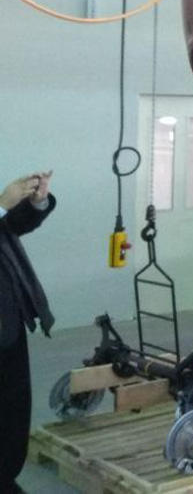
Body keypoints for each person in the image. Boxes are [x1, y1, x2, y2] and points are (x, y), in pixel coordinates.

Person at [1, 171, 54, 494]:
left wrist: (36, 203)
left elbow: (9, 228)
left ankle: (5, 477)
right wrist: (1, 205)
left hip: (8, 323)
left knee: (14, 409)